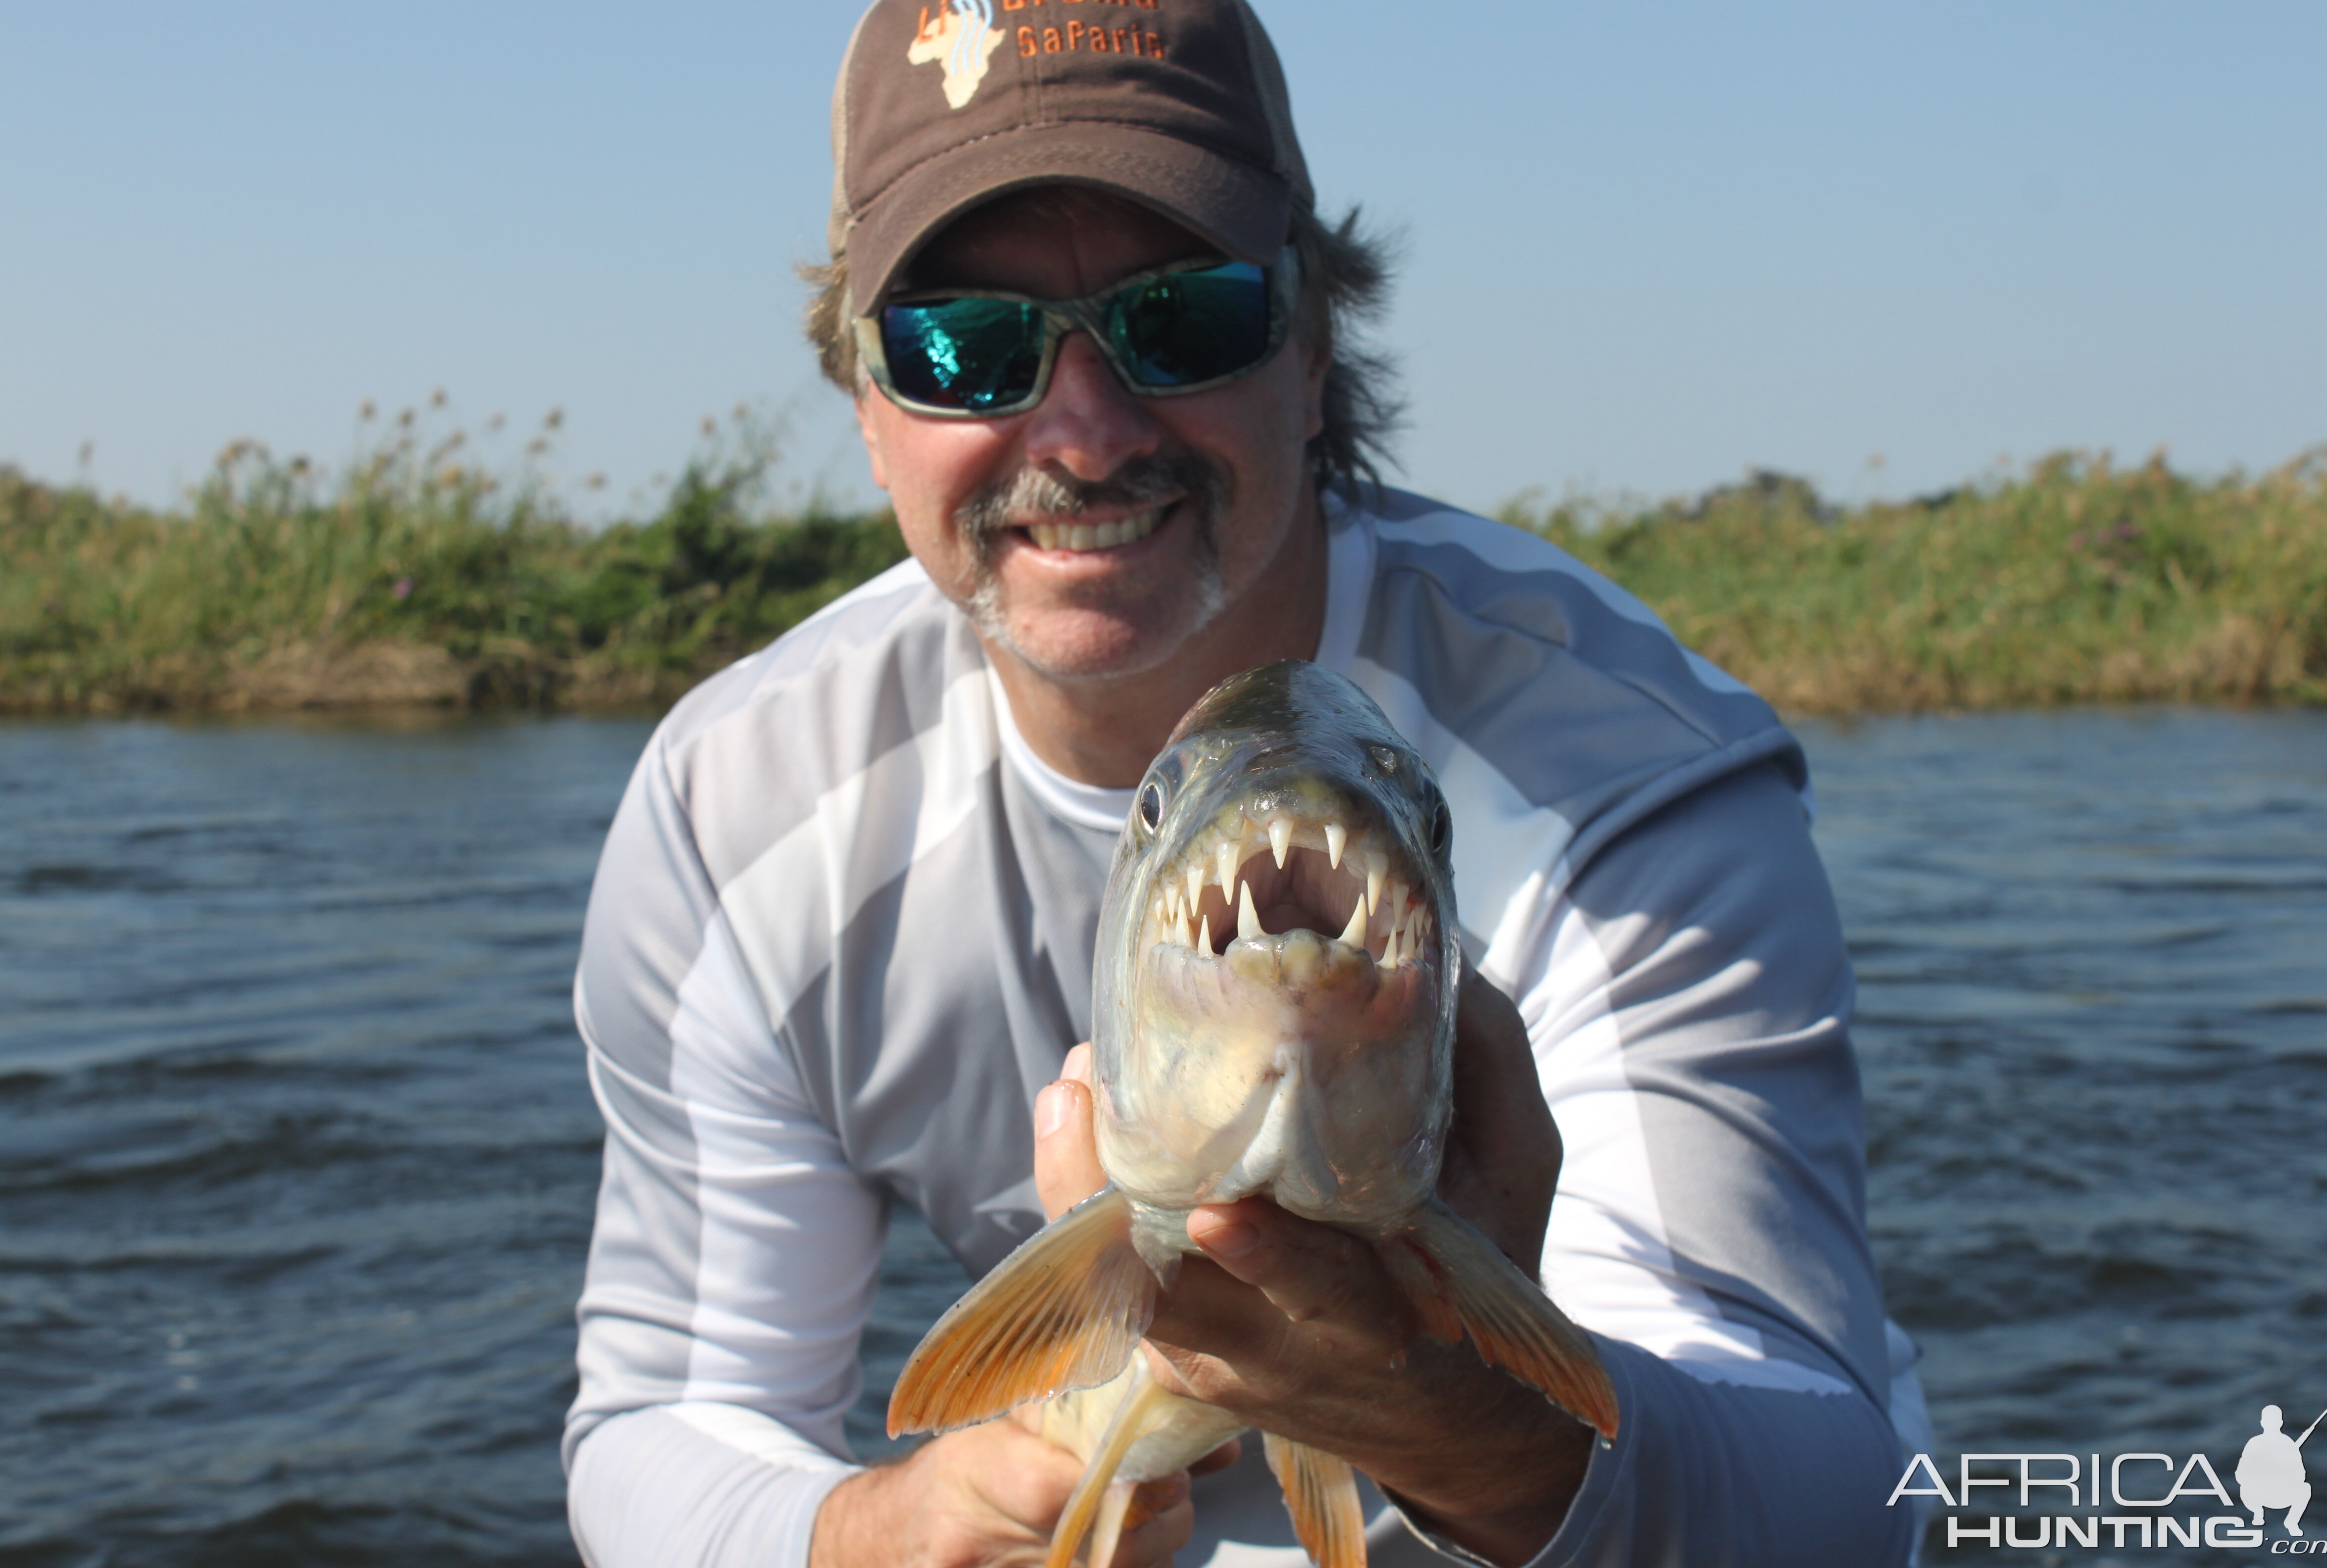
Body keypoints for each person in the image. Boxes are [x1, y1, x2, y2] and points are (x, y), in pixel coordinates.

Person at [562, 1, 1931, 1563]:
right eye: (963, 347)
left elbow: (1835, 1501)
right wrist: (886, 1531)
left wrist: (1451, 1416)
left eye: (1188, 317)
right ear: (868, 408)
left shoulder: (1628, 775)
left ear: (1315, 350)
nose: (1080, 437)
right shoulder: (734, 811)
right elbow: (663, 1428)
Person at [2237, 1405, 2313, 1536]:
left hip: (2281, 1495)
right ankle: (2258, 1513)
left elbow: (2301, 1476)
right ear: (2281, 1423)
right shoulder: (2255, 1443)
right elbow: (2241, 1475)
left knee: (2305, 1488)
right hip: (2259, 1496)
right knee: (2245, 1487)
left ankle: (2292, 1522)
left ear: (2262, 1423)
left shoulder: (2288, 1444)